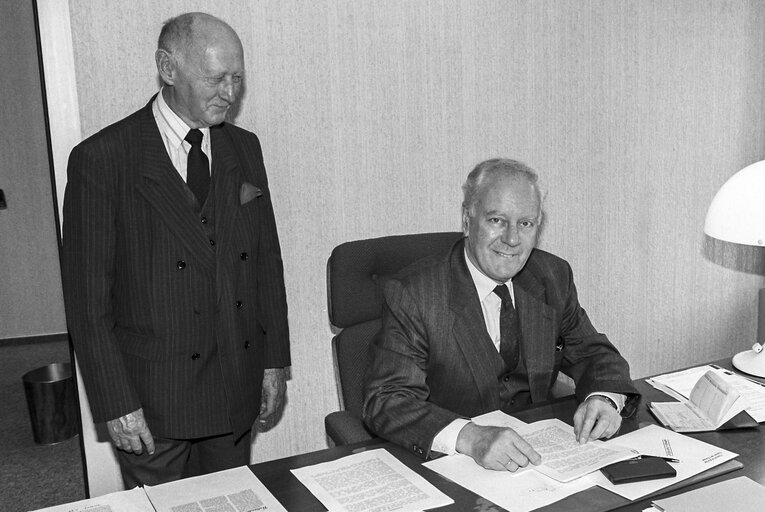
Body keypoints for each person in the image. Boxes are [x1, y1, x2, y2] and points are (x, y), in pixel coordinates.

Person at [62, 12, 290, 486]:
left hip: (233, 385)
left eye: (237, 78)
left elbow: (266, 262)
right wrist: (116, 402)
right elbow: (88, 303)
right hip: (153, 398)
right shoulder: (103, 159)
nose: (229, 93)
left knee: (231, 500)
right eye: (215, 78)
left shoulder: (245, 148)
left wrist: (271, 361)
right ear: (168, 69)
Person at [363, 158, 639, 471]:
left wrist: (604, 398)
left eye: (526, 223)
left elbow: (593, 353)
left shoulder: (551, 277)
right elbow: (386, 400)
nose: (511, 239)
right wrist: (470, 437)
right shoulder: (415, 293)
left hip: (540, 461)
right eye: (496, 220)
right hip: (455, 467)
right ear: (468, 220)